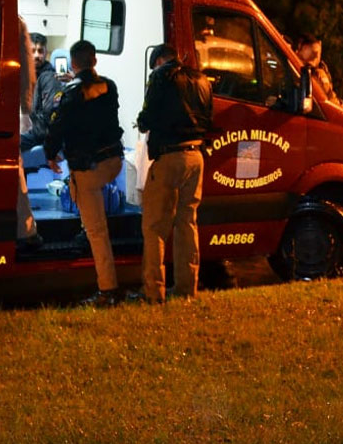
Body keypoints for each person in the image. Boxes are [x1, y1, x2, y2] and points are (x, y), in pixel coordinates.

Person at [43, 40, 125, 306]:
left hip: (88, 168)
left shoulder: (71, 93)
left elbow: (58, 128)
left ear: (73, 64)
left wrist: (50, 153)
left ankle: (107, 290)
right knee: (94, 212)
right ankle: (84, 229)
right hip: (113, 162)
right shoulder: (109, 86)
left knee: (97, 232)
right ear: (95, 61)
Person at [135, 43, 213, 303]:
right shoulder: (202, 79)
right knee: (187, 223)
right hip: (196, 157)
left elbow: (147, 118)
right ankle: (186, 288)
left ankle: (153, 292)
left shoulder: (160, 77)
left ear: (158, 61)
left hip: (169, 157)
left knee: (155, 227)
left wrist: (142, 120)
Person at [15, 18, 42, 250]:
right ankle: (25, 230)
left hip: (2, 111)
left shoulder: (16, 22)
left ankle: (25, 230)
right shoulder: (16, 21)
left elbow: (25, 66)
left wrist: (25, 109)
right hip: (2, 110)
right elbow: (26, 68)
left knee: (14, 173)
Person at [20, 31, 64, 153]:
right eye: (32, 50)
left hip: (38, 132)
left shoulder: (49, 77)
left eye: (40, 51)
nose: (36, 55)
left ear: (46, 52)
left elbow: (50, 114)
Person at [295, 33, 342, 106]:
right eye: (313, 54)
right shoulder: (293, 65)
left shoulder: (318, 74)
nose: (315, 59)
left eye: (316, 55)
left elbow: (329, 98)